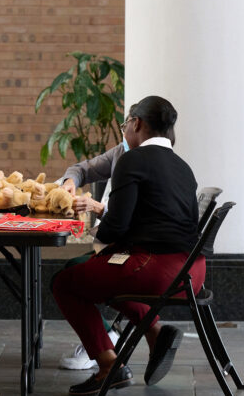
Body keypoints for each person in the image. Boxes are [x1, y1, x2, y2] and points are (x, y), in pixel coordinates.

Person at [51, 96, 203, 396]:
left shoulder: (132, 159)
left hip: (155, 269)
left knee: (65, 283)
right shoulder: (182, 166)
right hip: (192, 272)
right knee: (94, 272)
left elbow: (116, 227)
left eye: (126, 124)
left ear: (137, 123)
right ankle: (155, 333)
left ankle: (109, 366)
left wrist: (97, 228)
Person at [55, 124, 179, 371]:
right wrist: (70, 181)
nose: (125, 133)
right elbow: (84, 168)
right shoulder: (121, 153)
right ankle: (147, 329)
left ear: (140, 127)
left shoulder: (148, 164)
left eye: (129, 125)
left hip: (137, 252)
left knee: (67, 280)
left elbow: (135, 219)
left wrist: (98, 208)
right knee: (76, 270)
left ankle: (108, 354)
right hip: (129, 247)